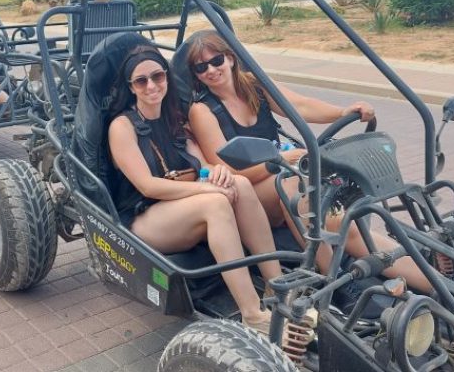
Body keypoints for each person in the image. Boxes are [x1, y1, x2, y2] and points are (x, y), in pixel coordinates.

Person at [185, 30, 431, 292]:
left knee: (349, 226)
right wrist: (280, 159)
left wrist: (343, 112)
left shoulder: (253, 85)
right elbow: (232, 171)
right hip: (250, 195)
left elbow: (299, 106)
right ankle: (332, 277)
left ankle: (439, 286)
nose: (211, 70)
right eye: (201, 67)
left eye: (216, 60)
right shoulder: (202, 111)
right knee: (292, 185)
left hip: (285, 178)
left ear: (231, 59)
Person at [107, 45, 282, 333]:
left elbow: (202, 165)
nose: (151, 85)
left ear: (167, 78)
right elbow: (147, 186)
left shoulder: (174, 119)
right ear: (131, 87)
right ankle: (252, 314)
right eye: (141, 81)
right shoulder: (122, 126)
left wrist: (219, 172)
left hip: (181, 208)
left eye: (158, 76)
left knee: (239, 183)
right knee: (215, 203)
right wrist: (207, 191)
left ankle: (276, 288)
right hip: (144, 218)